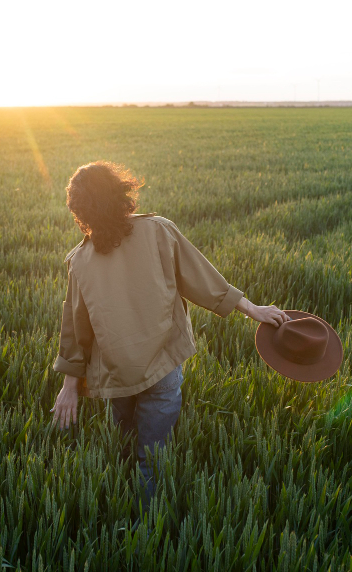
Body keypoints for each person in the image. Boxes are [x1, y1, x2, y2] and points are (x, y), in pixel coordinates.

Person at [50, 161, 289, 502]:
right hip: (162, 367)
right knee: (151, 458)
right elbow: (203, 280)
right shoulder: (159, 231)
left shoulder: (80, 261)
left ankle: (114, 517)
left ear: (80, 210)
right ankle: (147, 536)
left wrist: (69, 387)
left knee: (122, 447)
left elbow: (75, 329)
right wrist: (253, 310)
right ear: (122, 194)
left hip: (118, 376)